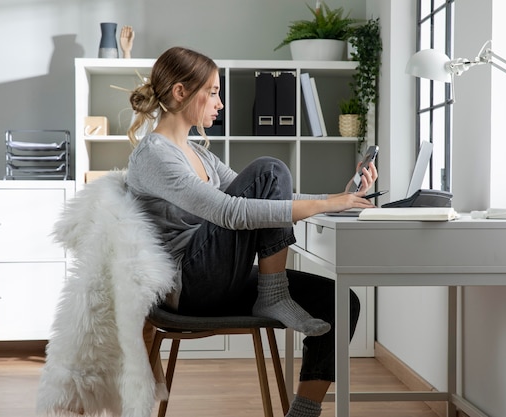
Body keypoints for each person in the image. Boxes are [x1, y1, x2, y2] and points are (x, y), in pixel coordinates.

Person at [126, 46, 377, 417]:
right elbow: (231, 212)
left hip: (220, 276)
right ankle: (274, 294)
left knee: (341, 302)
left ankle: (303, 411)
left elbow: (273, 198)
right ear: (180, 92)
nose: (220, 103)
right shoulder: (154, 155)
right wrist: (326, 206)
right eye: (212, 92)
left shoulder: (200, 153)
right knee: (270, 168)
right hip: (188, 288)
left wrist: (342, 195)